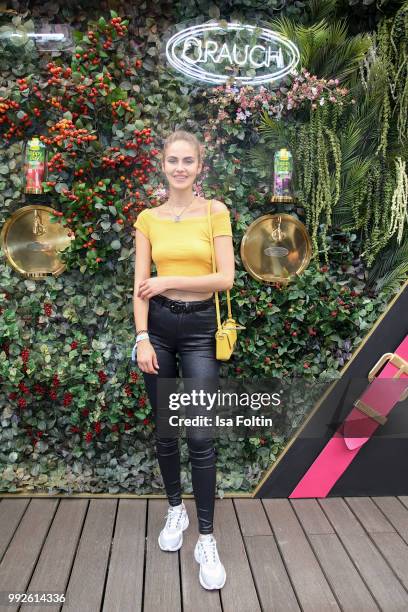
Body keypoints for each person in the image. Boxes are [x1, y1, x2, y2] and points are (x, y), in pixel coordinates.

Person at [133, 129, 235, 590]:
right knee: (166, 430)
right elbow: (140, 287)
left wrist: (169, 277)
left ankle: (206, 537)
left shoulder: (215, 212)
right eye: (172, 160)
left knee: (200, 434)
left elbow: (224, 278)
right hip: (158, 330)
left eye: (187, 161)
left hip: (198, 332)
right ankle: (175, 511)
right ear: (163, 164)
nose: (179, 167)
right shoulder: (147, 219)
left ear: (199, 166)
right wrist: (142, 339)